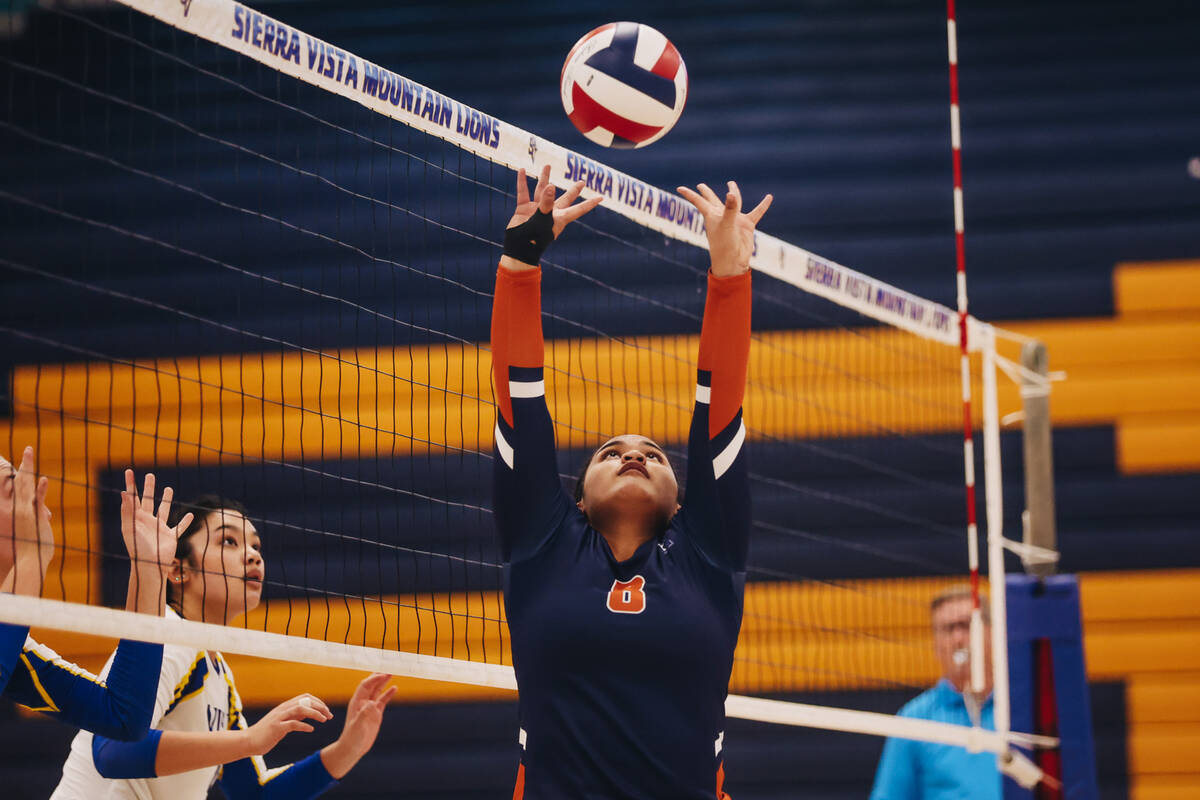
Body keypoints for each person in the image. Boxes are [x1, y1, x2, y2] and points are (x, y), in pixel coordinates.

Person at [491, 164, 772, 798]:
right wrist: (520, 264)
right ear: (579, 498)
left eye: (655, 455)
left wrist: (730, 276)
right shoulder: (542, 542)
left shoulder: (708, 552)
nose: (634, 455)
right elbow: (520, 398)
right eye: (610, 453)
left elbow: (718, 406)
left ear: (682, 501)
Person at [51, 494, 396, 799]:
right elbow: (111, 751)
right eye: (228, 542)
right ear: (178, 570)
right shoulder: (168, 638)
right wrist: (252, 739)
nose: (252, 556)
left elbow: (253, 793)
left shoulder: (216, 672)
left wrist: (347, 749)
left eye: (256, 546)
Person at [1, 447, 181, 741]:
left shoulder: (15, 647)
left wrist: (149, 571)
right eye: (17, 493)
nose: (43, 511)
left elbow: (123, 717)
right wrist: (32, 556)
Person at [869, 588, 1000, 800]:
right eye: (948, 629)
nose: (958, 638)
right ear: (936, 645)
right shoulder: (913, 719)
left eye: (966, 625)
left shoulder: (1021, 707)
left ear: (992, 633)